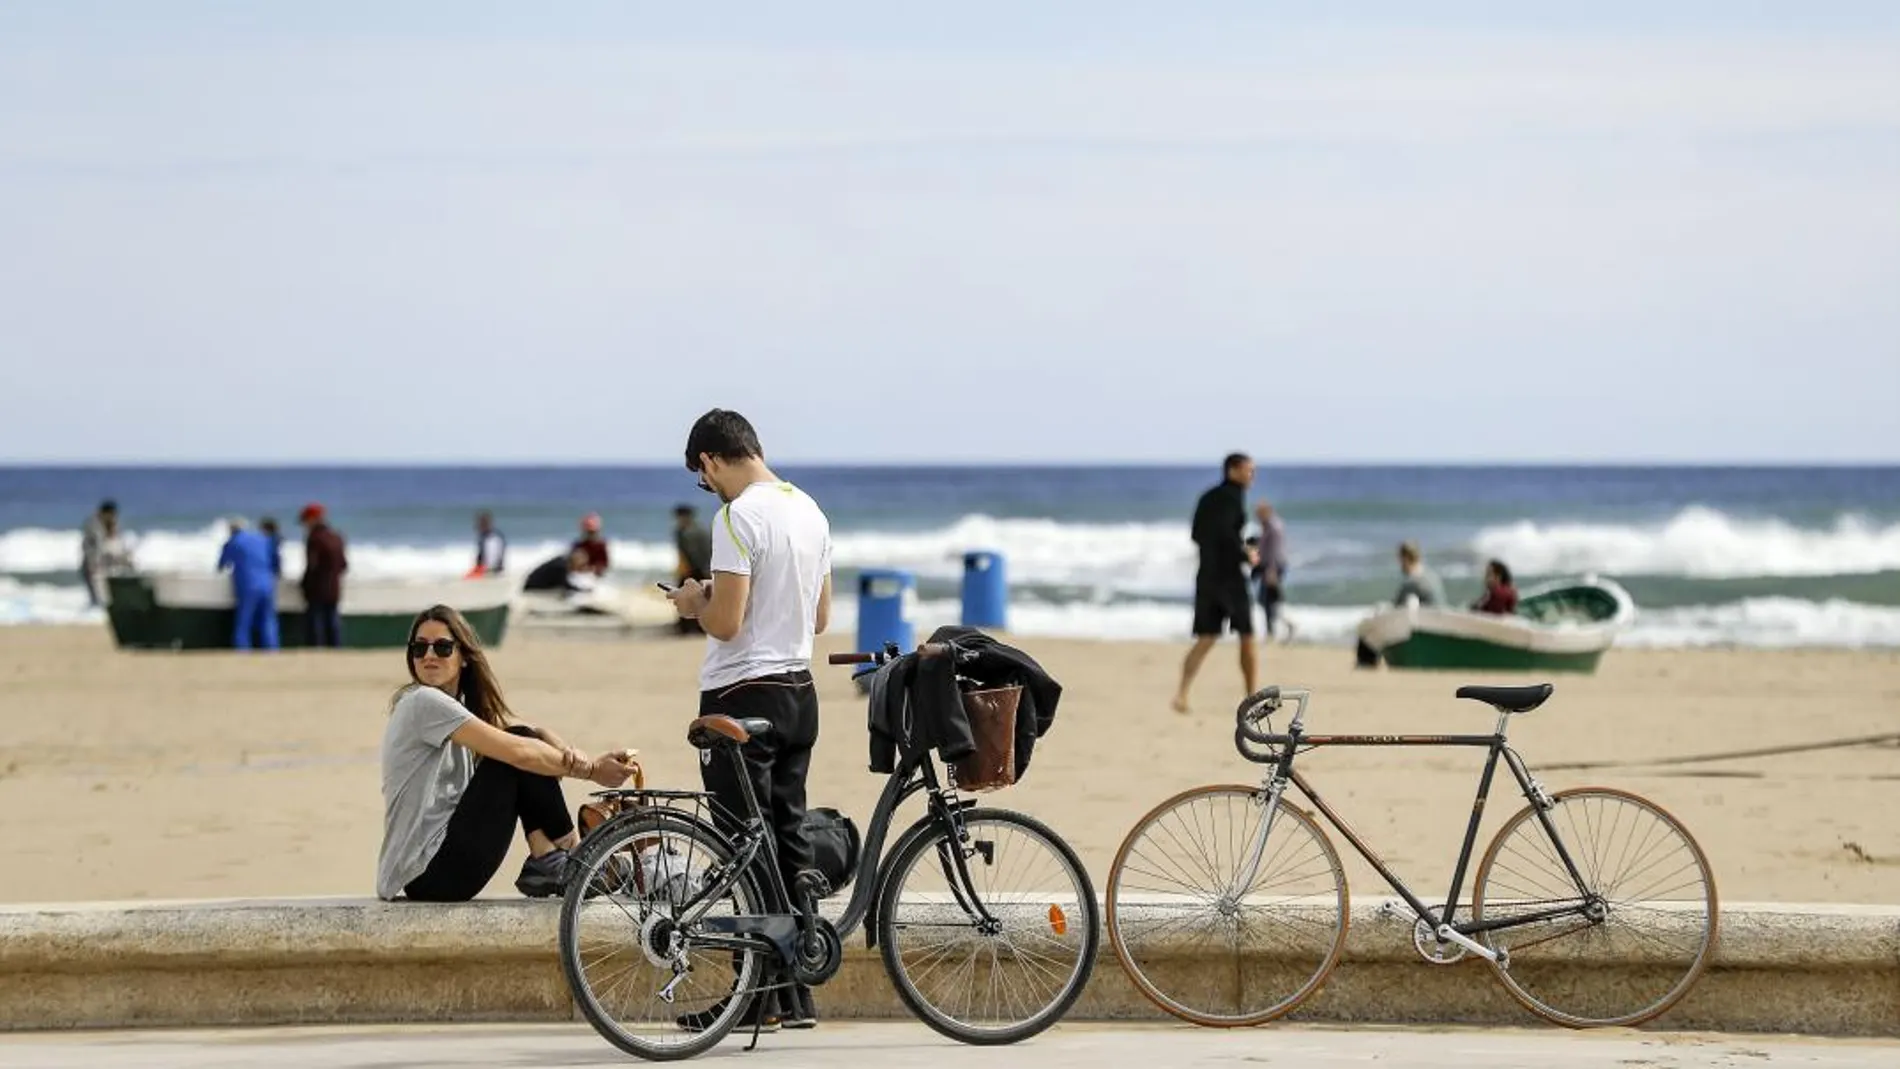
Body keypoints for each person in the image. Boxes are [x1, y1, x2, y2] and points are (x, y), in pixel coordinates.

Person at [665, 408, 832, 1033]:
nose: (707, 489)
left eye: (702, 478)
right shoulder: (810, 510)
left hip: (741, 695)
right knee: (787, 836)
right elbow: (817, 617)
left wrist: (692, 602)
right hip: (799, 688)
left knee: (742, 841)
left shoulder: (736, 517)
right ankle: (795, 994)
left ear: (709, 461)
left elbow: (727, 624)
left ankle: (755, 994)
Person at [377, 605, 640, 902]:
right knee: (517, 754)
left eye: (442, 647)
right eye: (419, 648)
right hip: (431, 871)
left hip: (440, 868)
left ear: (463, 657)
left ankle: (551, 858)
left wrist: (569, 752)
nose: (429, 656)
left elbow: (532, 733)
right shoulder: (422, 702)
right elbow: (520, 750)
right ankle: (571, 856)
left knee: (523, 749)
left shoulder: (458, 710)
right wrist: (590, 770)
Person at [1171, 453, 1259, 714]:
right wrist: (1246, 554)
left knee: (1206, 637)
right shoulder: (1232, 497)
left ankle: (1181, 694)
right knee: (1247, 636)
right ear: (1232, 471)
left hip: (1207, 576)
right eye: (1248, 471)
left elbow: (1197, 534)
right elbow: (1227, 535)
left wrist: (1231, 548)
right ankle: (1251, 698)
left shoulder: (1208, 497)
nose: (1252, 476)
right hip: (1230, 577)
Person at [1356, 541, 1448, 667]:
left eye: (1400, 560)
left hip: (1422, 631)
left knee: (1372, 626)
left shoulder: (1413, 582)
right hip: (1439, 627)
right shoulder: (1432, 576)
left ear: (1405, 558)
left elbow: (1398, 609)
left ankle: (1366, 664)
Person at [216, 517, 280, 650]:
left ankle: (243, 650)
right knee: (268, 620)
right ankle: (272, 650)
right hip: (267, 583)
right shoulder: (263, 539)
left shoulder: (233, 541)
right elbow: (276, 562)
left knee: (244, 620)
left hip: (247, 584)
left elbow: (222, 565)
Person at [299, 503, 348, 648]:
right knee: (332, 620)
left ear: (312, 519)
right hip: (334, 587)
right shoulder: (336, 537)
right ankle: (335, 648)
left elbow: (312, 565)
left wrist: (305, 584)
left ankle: (317, 649)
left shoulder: (314, 538)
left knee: (316, 621)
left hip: (317, 588)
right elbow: (344, 564)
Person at [1250, 500, 1295, 644]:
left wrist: (1271, 570)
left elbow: (1275, 551)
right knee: (1269, 600)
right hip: (1270, 566)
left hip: (1273, 567)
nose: (1257, 518)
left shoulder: (1274, 527)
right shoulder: (1269, 526)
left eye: (1259, 514)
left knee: (1268, 600)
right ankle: (1278, 628)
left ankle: (1282, 627)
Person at [79, 499, 134, 607]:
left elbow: (119, 545)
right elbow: (91, 549)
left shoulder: (113, 525)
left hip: (109, 565)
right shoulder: (93, 526)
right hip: (94, 565)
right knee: (97, 597)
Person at [672, 504, 714, 636]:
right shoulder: (693, 530)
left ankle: (691, 628)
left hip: (696, 570)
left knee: (691, 598)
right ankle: (690, 627)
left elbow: (698, 553)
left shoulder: (691, 532)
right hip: (694, 570)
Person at [521, 547, 594, 595]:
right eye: (581, 565)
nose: (580, 568)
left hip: (532, 585)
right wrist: (584, 591)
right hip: (533, 589)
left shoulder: (562, 560)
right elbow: (566, 586)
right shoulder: (561, 567)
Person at [470, 511, 507, 577]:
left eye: (480, 524)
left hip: (490, 570)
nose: (478, 527)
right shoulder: (494, 536)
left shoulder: (491, 538)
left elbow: (491, 559)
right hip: (491, 569)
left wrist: (480, 569)